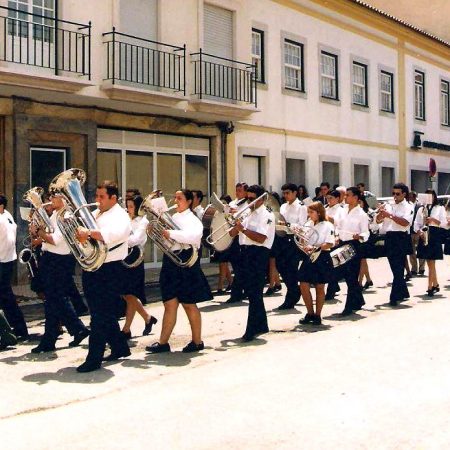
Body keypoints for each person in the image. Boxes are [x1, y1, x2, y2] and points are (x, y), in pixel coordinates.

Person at [75, 181, 132, 373]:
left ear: (113, 198)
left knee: (99, 315)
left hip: (111, 269)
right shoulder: (96, 213)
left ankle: (94, 358)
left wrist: (88, 233)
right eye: (96, 196)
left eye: (101, 197)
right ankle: (120, 347)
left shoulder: (121, 215)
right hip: (94, 267)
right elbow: (83, 230)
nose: (97, 200)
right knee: (102, 312)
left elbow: (114, 234)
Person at [146, 189, 212, 353]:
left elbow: (194, 236)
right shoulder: (173, 217)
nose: (176, 201)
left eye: (179, 198)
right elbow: (168, 243)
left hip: (187, 261)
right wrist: (158, 234)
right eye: (175, 198)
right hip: (172, 260)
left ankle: (197, 341)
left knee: (189, 304)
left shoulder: (193, 219)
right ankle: (163, 343)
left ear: (189, 201)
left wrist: (171, 233)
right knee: (169, 303)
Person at [30, 193, 90, 353]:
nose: (51, 199)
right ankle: (58, 335)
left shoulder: (67, 216)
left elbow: (55, 240)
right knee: (53, 300)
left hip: (58, 261)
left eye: (55, 196)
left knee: (56, 299)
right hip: (51, 258)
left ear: (64, 199)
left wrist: (40, 232)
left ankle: (73, 330)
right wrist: (38, 234)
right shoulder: (57, 214)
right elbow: (49, 237)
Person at [229, 185, 275, 341]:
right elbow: (231, 233)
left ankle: (251, 329)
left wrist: (242, 229)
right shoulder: (247, 212)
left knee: (254, 292)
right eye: (247, 198)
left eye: (251, 199)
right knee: (251, 291)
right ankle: (262, 324)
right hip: (246, 252)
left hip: (259, 253)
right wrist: (233, 223)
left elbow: (261, 238)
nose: (248, 201)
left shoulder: (266, 215)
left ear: (261, 199)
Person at [121, 195, 158, 338]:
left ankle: (127, 329)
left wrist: (120, 238)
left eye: (131, 206)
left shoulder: (143, 221)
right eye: (127, 206)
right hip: (125, 255)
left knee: (130, 293)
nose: (128, 209)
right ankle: (146, 319)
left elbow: (136, 239)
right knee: (127, 294)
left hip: (135, 256)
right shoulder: (126, 219)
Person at [376, 183, 414, 307]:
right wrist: (380, 214)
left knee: (398, 269)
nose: (395, 196)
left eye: (397, 194)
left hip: (401, 238)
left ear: (404, 194)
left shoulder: (408, 206)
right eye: (393, 193)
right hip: (390, 237)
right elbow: (378, 221)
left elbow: (405, 223)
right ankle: (403, 292)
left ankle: (394, 296)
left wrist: (390, 216)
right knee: (395, 267)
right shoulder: (389, 205)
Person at [298, 202, 335, 325]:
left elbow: (330, 243)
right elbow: (303, 240)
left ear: (319, 213)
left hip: (322, 256)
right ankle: (310, 312)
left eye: (311, 212)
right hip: (309, 257)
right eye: (308, 212)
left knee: (320, 286)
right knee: (303, 284)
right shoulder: (308, 224)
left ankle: (318, 315)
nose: (309, 215)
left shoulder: (328, 225)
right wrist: (300, 237)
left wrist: (315, 247)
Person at [334, 187, 369, 315]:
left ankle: (349, 306)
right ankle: (358, 300)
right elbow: (337, 226)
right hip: (342, 244)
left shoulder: (362, 214)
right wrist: (336, 235)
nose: (345, 197)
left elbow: (366, 232)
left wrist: (359, 236)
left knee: (352, 274)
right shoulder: (341, 211)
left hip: (354, 245)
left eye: (348, 195)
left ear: (355, 197)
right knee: (347, 275)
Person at [273, 183, 307, 310]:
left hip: (293, 240)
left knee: (291, 269)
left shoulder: (301, 207)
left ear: (295, 193)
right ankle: (294, 290)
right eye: (284, 193)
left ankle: (291, 296)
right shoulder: (282, 206)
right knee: (280, 266)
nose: (285, 195)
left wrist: (288, 225)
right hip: (282, 239)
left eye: (287, 193)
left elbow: (303, 226)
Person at [0, 194, 28, 340]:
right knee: (7, 299)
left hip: (2, 262)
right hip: (8, 261)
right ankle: (18, 330)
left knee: (7, 300)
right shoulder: (7, 215)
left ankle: (17, 331)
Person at [413, 189, 447, 296]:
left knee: (431, 262)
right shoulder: (421, 209)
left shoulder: (439, 208)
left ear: (434, 197)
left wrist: (432, 219)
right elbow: (416, 224)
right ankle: (435, 284)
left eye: (431, 196)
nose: (429, 198)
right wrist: (419, 232)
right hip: (424, 235)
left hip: (434, 234)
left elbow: (444, 224)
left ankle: (430, 286)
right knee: (429, 262)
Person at [225, 182, 248, 304]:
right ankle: (241, 291)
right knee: (236, 266)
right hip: (233, 238)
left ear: (245, 192)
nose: (237, 192)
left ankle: (237, 293)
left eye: (240, 190)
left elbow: (245, 221)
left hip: (243, 238)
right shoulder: (232, 204)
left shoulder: (248, 205)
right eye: (236, 190)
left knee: (240, 269)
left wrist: (235, 215)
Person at [212, 195, 233, 295]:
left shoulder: (229, 213)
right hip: (218, 240)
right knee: (223, 264)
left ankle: (220, 287)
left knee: (223, 264)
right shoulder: (217, 213)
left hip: (226, 240)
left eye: (224, 203)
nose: (222, 205)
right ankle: (231, 283)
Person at [408, 191, 426, 276]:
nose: (410, 198)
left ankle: (422, 268)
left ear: (415, 197)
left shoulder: (420, 206)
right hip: (410, 231)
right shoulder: (407, 206)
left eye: (411, 197)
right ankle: (414, 268)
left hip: (419, 231)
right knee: (411, 251)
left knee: (421, 249)